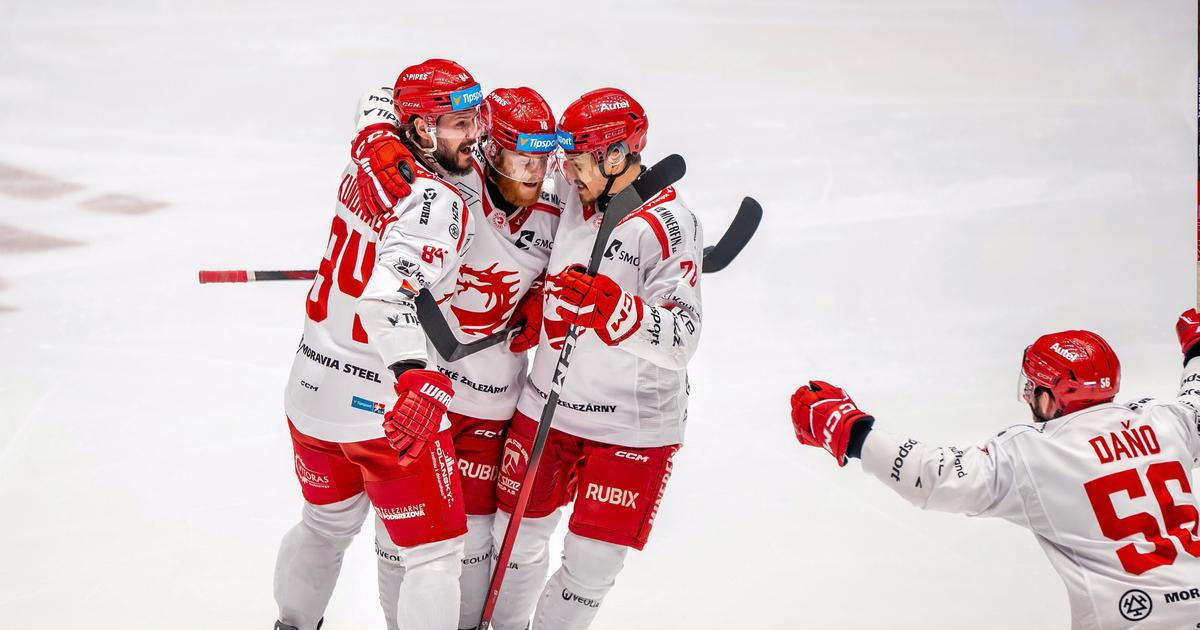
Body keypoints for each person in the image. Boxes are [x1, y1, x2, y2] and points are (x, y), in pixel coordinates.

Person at [789, 317, 1200, 629]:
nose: (1028, 396)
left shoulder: (1036, 453)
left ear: (1050, 395)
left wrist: (849, 429)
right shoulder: (1167, 422)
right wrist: (1197, 349)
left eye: (1033, 387)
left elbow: (936, 476)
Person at [274, 57, 481, 630]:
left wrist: (372, 135)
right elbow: (387, 299)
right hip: (384, 406)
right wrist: (415, 374)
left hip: (311, 387)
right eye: (458, 123)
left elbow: (378, 96)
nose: (476, 134)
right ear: (419, 129)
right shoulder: (438, 203)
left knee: (323, 525)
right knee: (434, 555)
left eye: (474, 117)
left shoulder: (368, 156)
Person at [489, 87, 705, 630]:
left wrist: (618, 311)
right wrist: (535, 295)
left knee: (588, 569)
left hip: (630, 428)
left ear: (615, 156)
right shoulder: (570, 190)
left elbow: (683, 338)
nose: (566, 171)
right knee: (511, 544)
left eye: (579, 159)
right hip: (548, 409)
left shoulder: (671, 227)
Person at [351, 80, 563, 629]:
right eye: (523, 162)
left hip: (494, 402)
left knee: (470, 549)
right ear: (491, 149)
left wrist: (547, 291)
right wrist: (377, 135)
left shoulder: (557, 201)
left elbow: (592, 240)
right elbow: (382, 94)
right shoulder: (450, 179)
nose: (536, 177)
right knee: (402, 542)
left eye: (545, 162)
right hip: (429, 392)